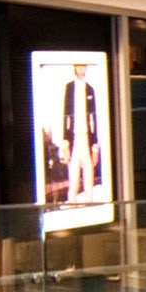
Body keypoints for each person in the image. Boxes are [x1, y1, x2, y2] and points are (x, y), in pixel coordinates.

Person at [62, 62, 102, 201]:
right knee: (73, 176)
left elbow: (94, 118)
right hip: (74, 138)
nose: (81, 69)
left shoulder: (90, 89)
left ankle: (89, 202)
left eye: (83, 67)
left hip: (86, 138)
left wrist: (95, 145)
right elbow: (66, 115)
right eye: (78, 67)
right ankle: (72, 203)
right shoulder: (69, 87)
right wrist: (66, 140)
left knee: (89, 174)